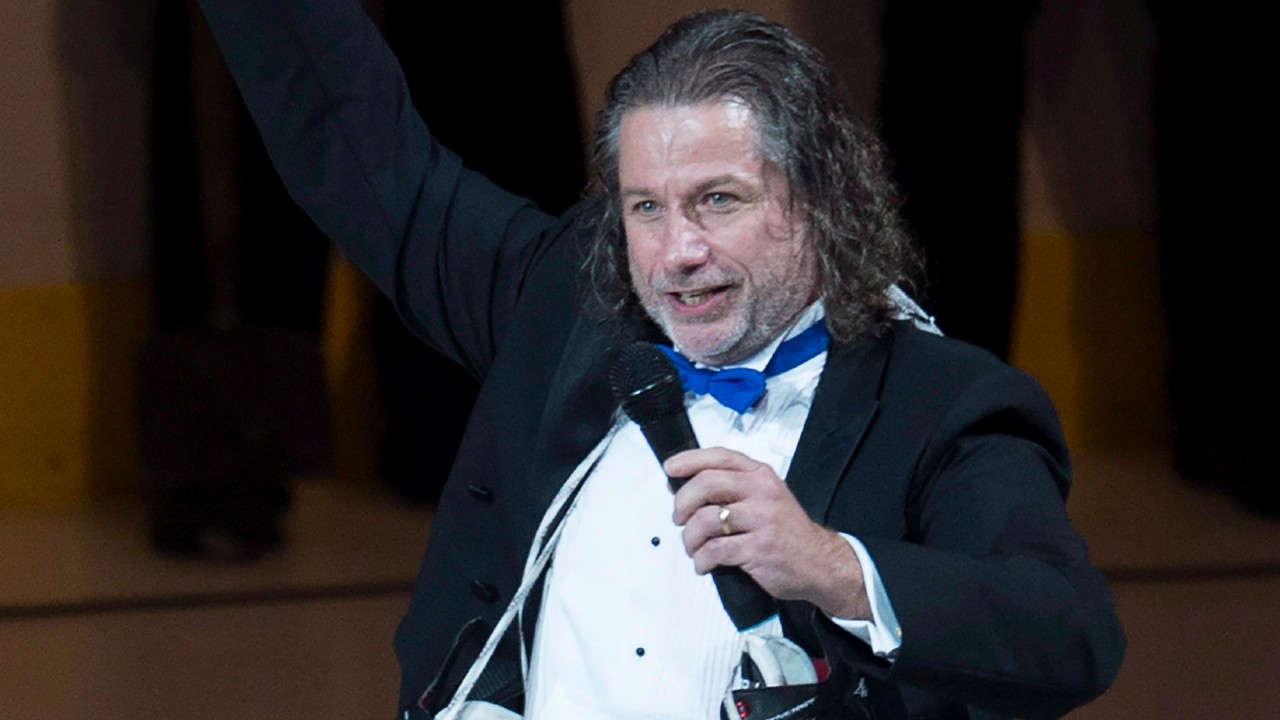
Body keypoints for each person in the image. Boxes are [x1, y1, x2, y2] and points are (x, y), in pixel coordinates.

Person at [197, 0, 1126, 717]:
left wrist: (832, 566)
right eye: (646, 206)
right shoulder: (567, 306)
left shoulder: (942, 402)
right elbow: (364, 150)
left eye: (717, 200)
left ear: (821, 201)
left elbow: (1069, 633)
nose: (676, 251)